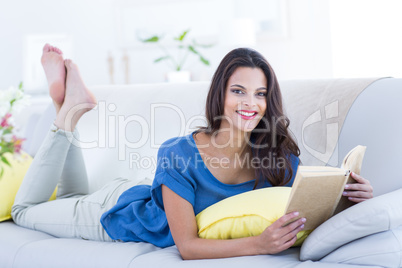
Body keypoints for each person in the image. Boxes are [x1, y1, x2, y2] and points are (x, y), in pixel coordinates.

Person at [12, 44, 374, 260]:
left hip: (140, 191)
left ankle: (68, 105)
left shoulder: (278, 159)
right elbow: (187, 246)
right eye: (239, 91)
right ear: (220, 93)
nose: (250, 103)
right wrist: (258, 244)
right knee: (24, 211)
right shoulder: (180, 153)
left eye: (260, 94)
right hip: (113, 213)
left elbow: (308, 201)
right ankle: (66, 111)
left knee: (71, 193)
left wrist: (351, 195)